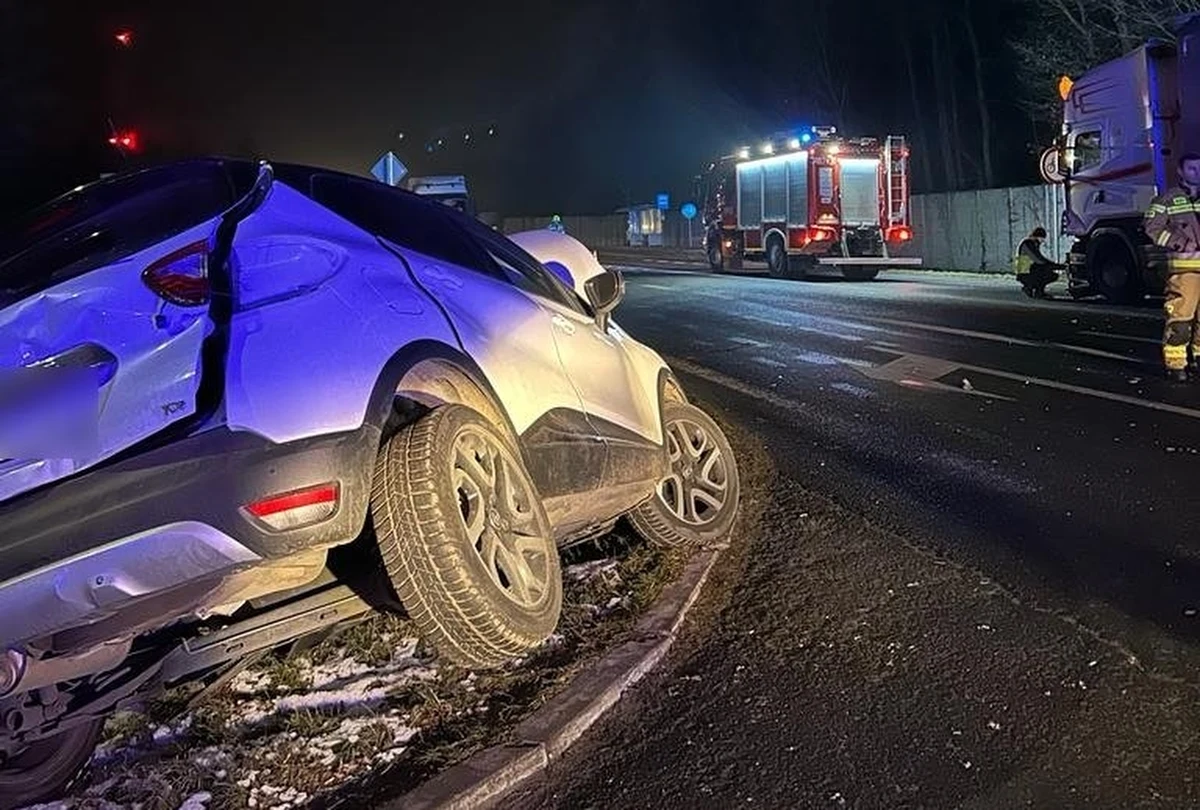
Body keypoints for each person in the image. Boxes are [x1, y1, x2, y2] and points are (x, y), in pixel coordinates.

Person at [1144, 152, 1200, 381]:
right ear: (1180, 171)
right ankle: (1176, 363)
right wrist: (1179, 242)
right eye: (1192, 169)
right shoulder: (1167, 200)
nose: (1197, 173)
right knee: (1181, 318)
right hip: (1184, 269)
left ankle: (1198, 357)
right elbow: (1152, 226)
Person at [1013, 226, 1061, 298]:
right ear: (1038, 236)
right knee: (1047, 273)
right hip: (1025, 272)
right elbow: (1038, 259)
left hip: (1027, 270)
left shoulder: (1032, 243)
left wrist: (1054, 265)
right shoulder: (1028, 244)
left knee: (1045, 271)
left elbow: (1039, 260)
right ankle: (1030, 287)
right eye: (1042, 238)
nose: (1042, 241)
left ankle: (1035, 289)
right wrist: (1055, 265)